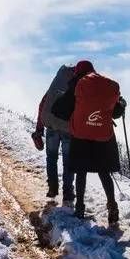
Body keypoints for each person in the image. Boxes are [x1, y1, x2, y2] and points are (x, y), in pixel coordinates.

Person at [51, 60, 126, 228]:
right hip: (103, 137)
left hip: (81, 136)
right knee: (104, 172)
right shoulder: (106, 86)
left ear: (78, 71)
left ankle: (79, 208)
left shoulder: (78, 85)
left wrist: (73, 116)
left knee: (81, 171)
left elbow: (59, 109)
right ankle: (112, 206)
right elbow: (116, 113)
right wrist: (122, 104)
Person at [33, 64, 76, 204]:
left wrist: (39, 129)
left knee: (51, 158)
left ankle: (52, 188)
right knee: (69, 161)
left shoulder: (55, 85)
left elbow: (42, 105)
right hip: (68, 129)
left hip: (51, 125)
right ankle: (68, 193)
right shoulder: (79, 85)